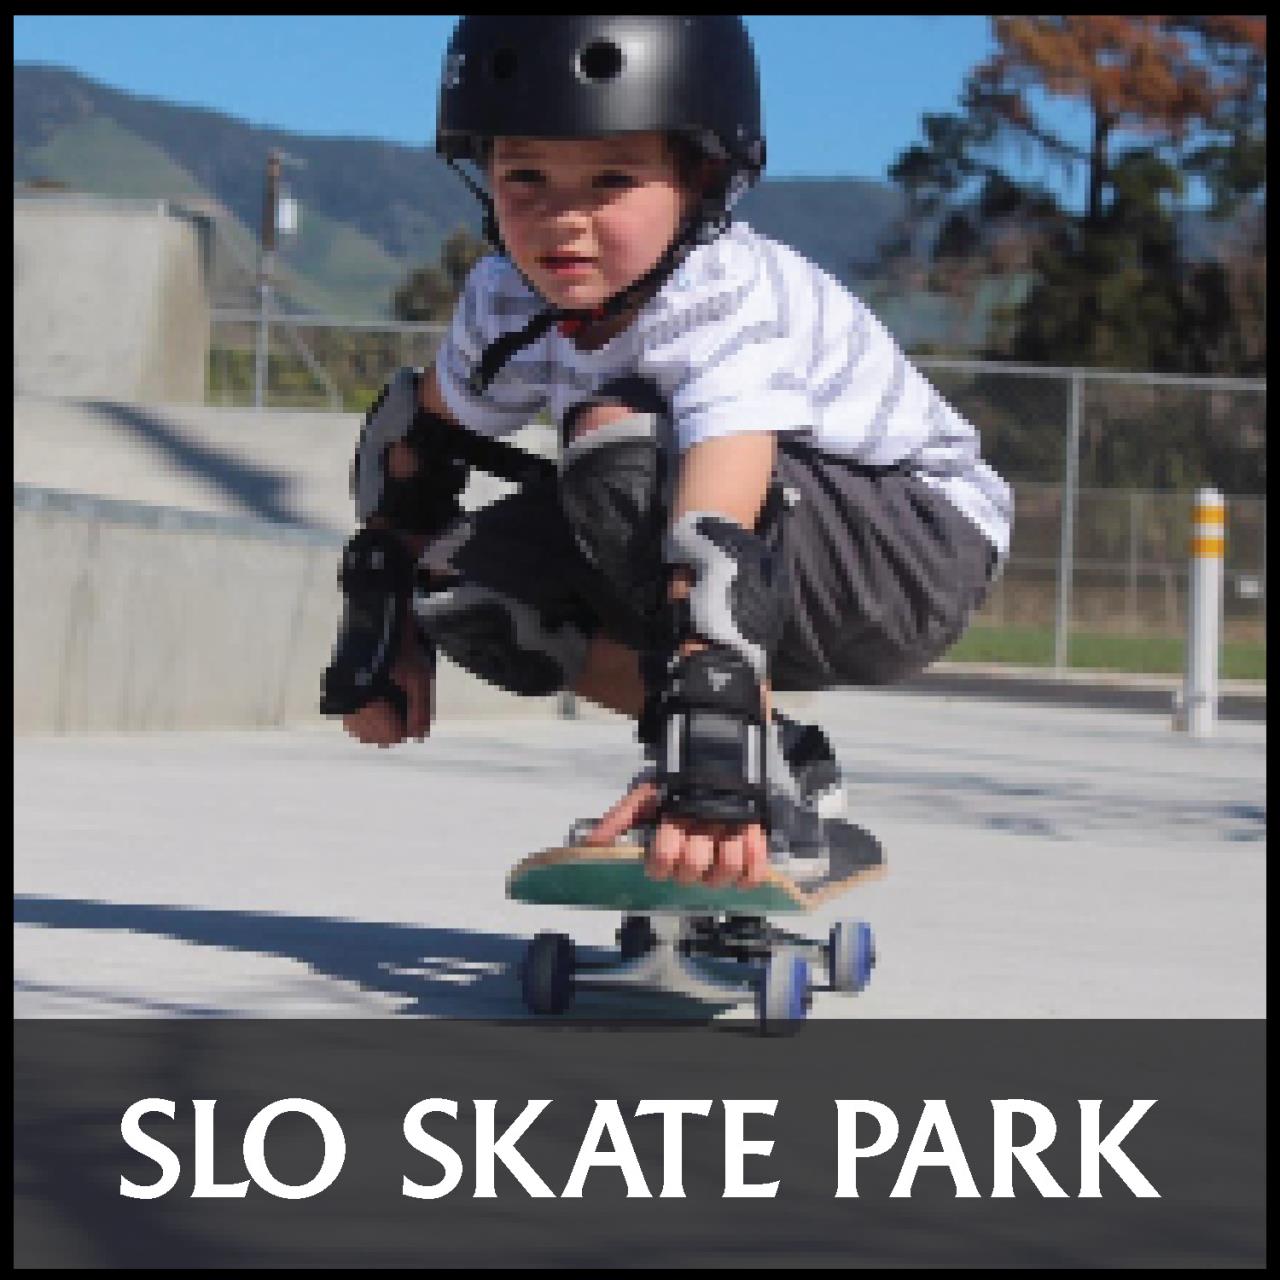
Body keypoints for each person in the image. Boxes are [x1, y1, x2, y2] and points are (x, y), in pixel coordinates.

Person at [322, 15, 1012, 890]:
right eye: (524, 175)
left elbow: (715, 519)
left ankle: (741, 764)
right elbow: (413, 443)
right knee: (469, 590)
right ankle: (783, 758)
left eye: (611, 179)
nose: (561, 221)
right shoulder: (504, 297)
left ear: (703, 180)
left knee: (617, 440)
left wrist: (711, 732)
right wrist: (384, 610)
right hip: (759, 546)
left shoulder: (717, 290)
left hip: (913, 549)